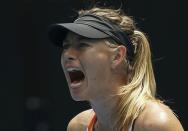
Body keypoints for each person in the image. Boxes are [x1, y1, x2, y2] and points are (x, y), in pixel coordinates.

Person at [48, 7, 184, 131]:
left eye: (82, 45)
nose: (67, 55)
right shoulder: (77, 127)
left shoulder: (155, 123)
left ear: (117, 56)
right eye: (66, 46)